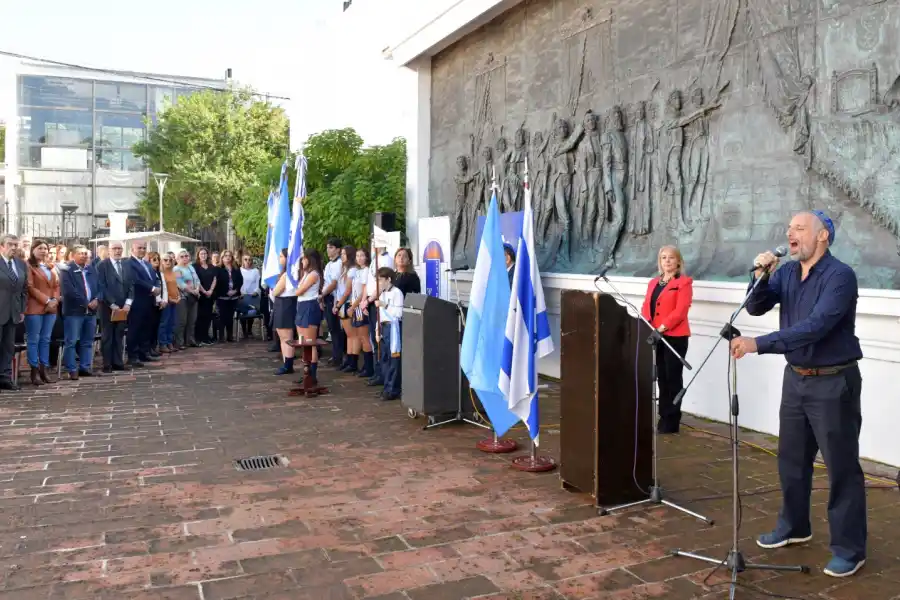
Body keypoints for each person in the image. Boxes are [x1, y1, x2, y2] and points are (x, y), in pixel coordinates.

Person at [730, 210, 866, 578]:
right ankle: (794, 526)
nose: (790, 233)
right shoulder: (788, 272)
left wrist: (759, 345)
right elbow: (757, 306)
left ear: (822, 236)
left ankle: (850, 549)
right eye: (789, 228)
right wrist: (760, 275)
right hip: (797, 380)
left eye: (799, 228)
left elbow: (815, 327)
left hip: (833, 382)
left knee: (841, 467)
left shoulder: (840, 276)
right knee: (791, 459)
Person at [639, 245, 693, 434]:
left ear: (678, 261)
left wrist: (661, 328)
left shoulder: (684, 283)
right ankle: (663, 416)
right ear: (659, 261)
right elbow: (647, 305)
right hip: (656, 336)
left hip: (675, 337)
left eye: (671, 257)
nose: (667, 261)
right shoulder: (653, 283)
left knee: (673, 378)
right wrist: (648, 324)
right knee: (661, 377)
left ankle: (672, 419)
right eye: (663, 258)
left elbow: (681, 311)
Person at [59, 246, 99, 380]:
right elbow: (69, 291)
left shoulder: (91, 269)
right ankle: (71, 368)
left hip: (91, 311)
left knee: (87, 341)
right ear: (73, 255)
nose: (84, 256)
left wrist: (97, 299)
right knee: (71, 341)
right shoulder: (67, 270)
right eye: (80, 253)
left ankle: (85, 367)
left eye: (85, 254)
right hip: (74, 312)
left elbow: (100, 286)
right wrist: (85, 301)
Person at [24, 239, 58, 385]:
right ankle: (34, 370)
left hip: (51, 308)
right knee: (34, 339)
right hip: (34, 308)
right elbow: (30, 287)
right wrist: (47, 300)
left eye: (45, 249)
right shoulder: (28, 266)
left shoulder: (50, 266)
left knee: (46, 339)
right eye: (40, 248)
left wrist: (55, 300)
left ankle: (44, 369)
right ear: (33, 250)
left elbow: (56, 286)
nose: (43, 251)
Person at [96, 241, 133, 372]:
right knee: (107, 336)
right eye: (115, 248)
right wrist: (112, 303)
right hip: (107, 307)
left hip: (123, 307)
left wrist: (128, 303)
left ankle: (118, 362)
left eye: (120, 249)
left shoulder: (125, 265)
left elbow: (131, 285)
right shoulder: (102, 265)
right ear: (109, 250)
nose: (118, 251)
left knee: (119, 334)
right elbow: (101, 286)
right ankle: (107, 364)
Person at [0, 234, 28, 392]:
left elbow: (24, 289)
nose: (13, 248)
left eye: (15, 245)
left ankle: (5, 377)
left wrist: (22, 308)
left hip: (13, 312)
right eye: (10, 244)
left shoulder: (20, 264)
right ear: (1, 246)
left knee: (8, 347)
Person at [126, 240, 161, 366]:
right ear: (132, 249)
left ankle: (144, 352)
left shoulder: (146, 263)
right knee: (135, 329)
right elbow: (135, 280)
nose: (142, 250)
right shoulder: (129, 263)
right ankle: (133, 356)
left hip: (149, 300)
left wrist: (157, 288)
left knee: (146, 328)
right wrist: (152, 288)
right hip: (137, 301)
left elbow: (155, 277)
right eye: (139, 248)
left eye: (144, 247)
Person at [294, 249, 324, 380]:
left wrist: (294, 287)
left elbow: (299, 291)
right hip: (301, 306)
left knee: (310, 342)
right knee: (302, 342)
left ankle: (312, 373)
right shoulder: (304, 274)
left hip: (310, 306)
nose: (302, 261)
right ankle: (305, 370)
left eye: (304, 259)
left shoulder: (314, 274)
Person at [375, 267, 403, 401]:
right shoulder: (383, 294)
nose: (379, 283)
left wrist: (385, 305)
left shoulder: (397, 293)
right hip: (384, 328)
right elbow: (379, 315)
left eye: (381, 280)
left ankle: (393, 388)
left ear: (388, 279)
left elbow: (398, 314)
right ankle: (386, 386)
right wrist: (377, 329)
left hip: (393, 328)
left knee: (394, 359)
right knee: (385, 359)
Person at [271, 249, 298, 375]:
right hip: (283, 304)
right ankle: (286, 362)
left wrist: (272, 290)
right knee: (283, 337)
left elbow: (276, 291)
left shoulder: (288, 274)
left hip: (285, 304)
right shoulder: (287, 273)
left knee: (286, 336)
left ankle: (288, 364)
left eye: (281, 256)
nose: (279, 258)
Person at [334, 245, 359, 373]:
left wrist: (339, 304)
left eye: (344, 254)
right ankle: (348, 359)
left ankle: (353, 361)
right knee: (348, 334)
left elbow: (348, 290)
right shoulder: (344, 270)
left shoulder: (352, 271)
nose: (342, 256)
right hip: (341, 302)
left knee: (352, 334)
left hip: (348, 303)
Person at [320, 238, 345, 367]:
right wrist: (322, 296)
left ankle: (339, 356)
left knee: (336, 328)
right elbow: (325, 282)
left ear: (338, 249)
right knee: (331, 327)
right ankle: (336, 354)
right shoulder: (329, 265)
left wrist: (322, 294)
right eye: (327, 247)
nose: (328, 250)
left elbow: (334, 283)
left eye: (331, 247)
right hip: (327, 297)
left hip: (336, 297)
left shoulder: (340, 263)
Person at [353, 247, 376, 379]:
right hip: (356, 306)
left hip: (361, 306)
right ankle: (366, 365)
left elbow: (363, 291)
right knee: (360, 337)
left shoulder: (367, 271)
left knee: (365, 337)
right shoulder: (358, 271)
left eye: (362, 255)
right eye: (357, 256)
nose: (359, 258)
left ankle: (369, 367)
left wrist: (357, 305)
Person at [174, 250, 200, 349]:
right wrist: (192, 291)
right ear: (177, 259)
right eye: (182, 256)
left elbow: (197, 279)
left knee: (192, 320)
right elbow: (180, 283)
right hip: (183, 297)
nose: (185, 258)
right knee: (182, 321)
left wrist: (197, 289)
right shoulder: (176, 269)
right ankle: (179, 342)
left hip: (194, 297)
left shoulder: (191, 267)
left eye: (187, 256)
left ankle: (190, 340)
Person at [216, 250, 242, 342]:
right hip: (222, 297)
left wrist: (235, 290)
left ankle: (230, 336)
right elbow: (217, 283)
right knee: (222, 316)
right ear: (222, 258)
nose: (227, 257)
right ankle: (221, 336)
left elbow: (240, 281)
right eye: (225, 256)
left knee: (230, 317)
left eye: (229, 256)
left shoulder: (236, 268)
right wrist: (226, 291)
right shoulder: (218, 269)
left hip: (233, 297)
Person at [194, 247, 218, 346]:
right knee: (200, 317)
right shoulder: (195, 266)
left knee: (208, 317)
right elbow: (196, 280)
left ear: (207, 255)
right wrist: (204, 291)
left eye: (205, 253)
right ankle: (198, 337)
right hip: (200, 295)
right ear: (198, 255)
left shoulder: (211, 266)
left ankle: (206, 336)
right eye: (201, 254)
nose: (203, 255)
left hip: (210, 295)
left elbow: (215, 279)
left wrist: (211, 290)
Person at [158, 253, 180, 352]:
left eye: (170, 260)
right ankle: (163, 344)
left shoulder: (173, 272)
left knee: (172, 323)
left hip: (175, 301)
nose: (168, 262)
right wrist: (170, 299)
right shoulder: (161, 273)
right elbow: (163, 289)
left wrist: (178, 296)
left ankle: (169, 342)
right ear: (161, 261)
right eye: (165, 260)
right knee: (164, 323)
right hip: (166, 301)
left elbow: (175, 286)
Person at [238, 254, 261, 339]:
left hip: (252, 295)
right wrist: (240, 293)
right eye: (246, 259)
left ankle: (249, 329)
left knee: (252, 312)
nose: (248, 261)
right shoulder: (239, 270)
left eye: (250, 260)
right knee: (243, 312)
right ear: (242, 261)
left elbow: (257, 283)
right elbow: (238, 282)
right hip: (242, 295)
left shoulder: (255, 271)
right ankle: (244, 331)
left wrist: (256, 291)